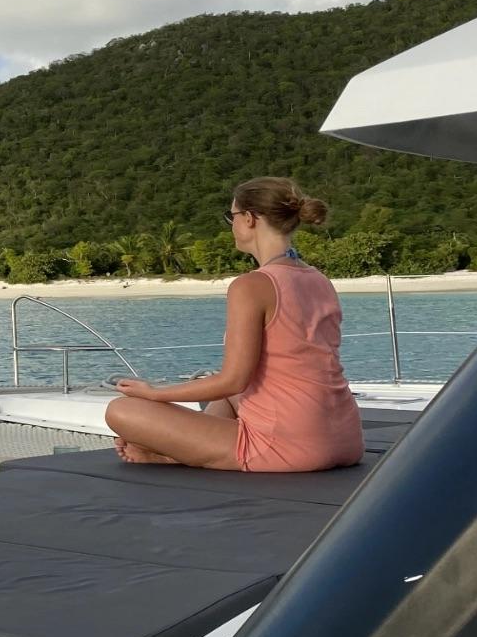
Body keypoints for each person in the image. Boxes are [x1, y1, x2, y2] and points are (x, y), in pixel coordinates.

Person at [105, 177, 364, 472]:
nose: (232, 226)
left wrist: (153, 393)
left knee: (121, 410)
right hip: (345, 438)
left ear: (249, 218)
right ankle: (182, 450)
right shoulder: (319, 279)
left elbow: (233, 381)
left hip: (288, 446)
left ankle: (180, 453)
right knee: (227, 393)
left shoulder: (251, 285)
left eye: (232, 217)